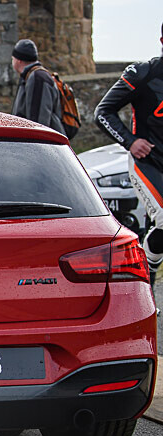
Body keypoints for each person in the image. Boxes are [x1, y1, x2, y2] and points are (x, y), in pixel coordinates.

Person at [95, 24, 163, 280]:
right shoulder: (143, 72)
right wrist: (130, 141)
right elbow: (102, 113)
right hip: (149, 162)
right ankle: (149, 272)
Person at [10, 39, 65, 135]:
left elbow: (39, 121)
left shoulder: (38, 78)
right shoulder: (30, 76)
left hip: (43, 145)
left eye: (13, 58)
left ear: (18, 60)